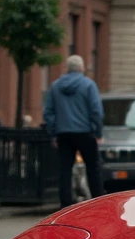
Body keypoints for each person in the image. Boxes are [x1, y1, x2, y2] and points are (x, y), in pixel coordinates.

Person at [43, 54, 105, 208]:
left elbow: (48, 113)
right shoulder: (89, 85)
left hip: (63, 133)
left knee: (65, 169)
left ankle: (65, 203)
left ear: (67, 68)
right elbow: (96, 111)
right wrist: (98, 133)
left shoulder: (55, 86)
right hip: (85, 132)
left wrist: (54, 133)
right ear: (82, 68)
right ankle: (98, 202)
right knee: (93, 168)